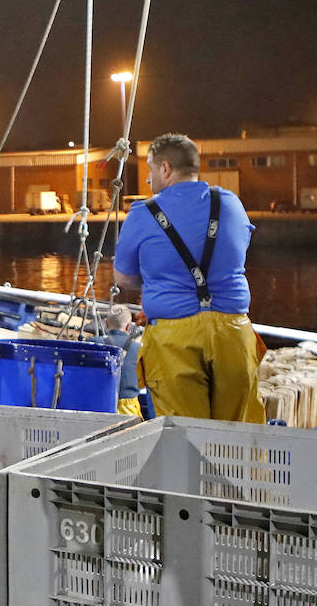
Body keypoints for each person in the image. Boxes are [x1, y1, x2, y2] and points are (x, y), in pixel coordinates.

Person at [113, 133, 265, 422]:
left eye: (150, 170)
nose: (148, 179)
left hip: (173, 337)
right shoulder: (230, 204)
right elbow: (238, 251)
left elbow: (123, 279)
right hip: (233, 332)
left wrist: (161, 280)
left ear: (166, 169)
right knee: (239, 436)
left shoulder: (143, 214)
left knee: (184, 436)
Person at [98, 304, 143, 418]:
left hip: (99, 407)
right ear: (129, 326)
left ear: (106, 323)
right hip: (128, 412)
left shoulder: (94, 343)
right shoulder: (138, 349)